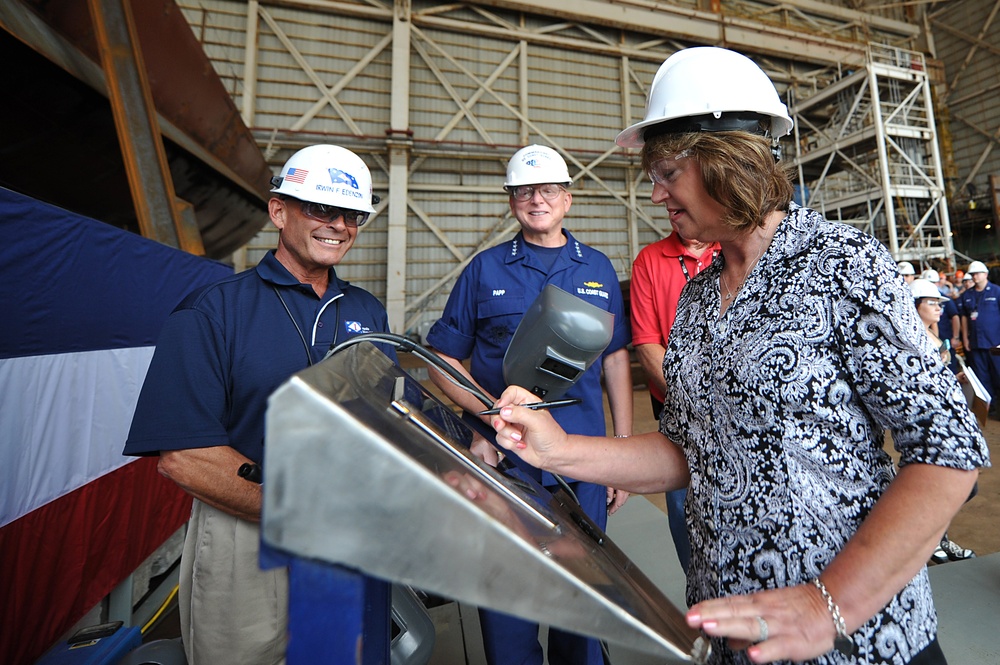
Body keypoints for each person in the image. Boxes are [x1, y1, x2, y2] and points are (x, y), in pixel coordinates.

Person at [486, 47, 989, 664]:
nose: (656, 193)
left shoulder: (841, 264)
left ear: (727, 159)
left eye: (667, 171)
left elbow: (947, 448)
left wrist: (832, 602)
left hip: (855, 641)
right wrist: (559, 449)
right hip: (733, 632)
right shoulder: (698, 297)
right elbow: (689, 450)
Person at [124, 145, 394, 665]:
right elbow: (185, 457)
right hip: (244, 530)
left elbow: (379, 422)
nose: (338, 225)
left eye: (351, 215)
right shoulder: (213, 311)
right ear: (278, 211)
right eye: (320, 209)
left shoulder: (366, 310)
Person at [424, 143, 633, 665]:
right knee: (509, 596)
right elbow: (442, 357)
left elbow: (613, 361)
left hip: (580, 461)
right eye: (523, 191)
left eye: (547, 190)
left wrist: (622, 453)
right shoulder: (485, 270)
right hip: (506, 463)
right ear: (511, 200)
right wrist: (486, 418)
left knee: (582, 595)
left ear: (568, 198)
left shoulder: (600, 269)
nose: (536, 200)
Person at [630, 230, 719, 573]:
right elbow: (647, 344)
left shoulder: (735, 250)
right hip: (679, 414)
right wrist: (694, 400)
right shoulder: (650, 261)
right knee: (686, 511)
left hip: (743, 412)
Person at [909, 279, 976, 564]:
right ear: (915, 307)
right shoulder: (910, 338)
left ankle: (939, 539)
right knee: (941, 485)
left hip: (946, 417)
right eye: (932, 303)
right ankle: (929, 542)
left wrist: (954, 376)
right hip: (927, 422)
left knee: (960, 485)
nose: (939, 308)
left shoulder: (931, 333)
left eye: (939, 303)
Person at [959, 260, 1000, 418]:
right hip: (976, 343)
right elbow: (964, 318)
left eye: (977, 273)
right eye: (972, 274)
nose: (974, 276)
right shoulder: (967, 296)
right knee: (982, 377)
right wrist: (965, 338)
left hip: (995, 343)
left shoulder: (996, 291)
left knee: (998, 374)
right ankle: (991, 408)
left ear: (985, 274)